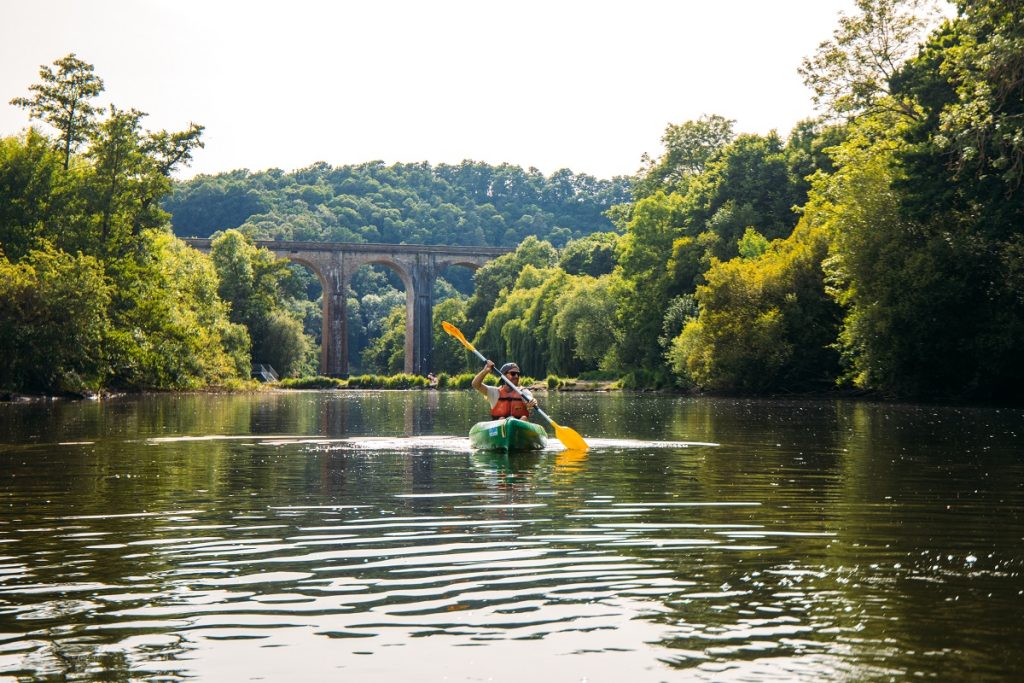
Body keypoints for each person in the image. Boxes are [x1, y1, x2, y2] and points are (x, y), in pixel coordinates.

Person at [471, 360, 538, 420]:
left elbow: (529, 398)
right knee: (501, 418)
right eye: (513, 373)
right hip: (500, 425)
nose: (516, 376)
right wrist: (485, 371)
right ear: (504, 375)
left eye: (518, 374)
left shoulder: (523, 391)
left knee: (524, 418)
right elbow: (475, 385)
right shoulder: (495, 392)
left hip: (519, 425)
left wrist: (531, 401)